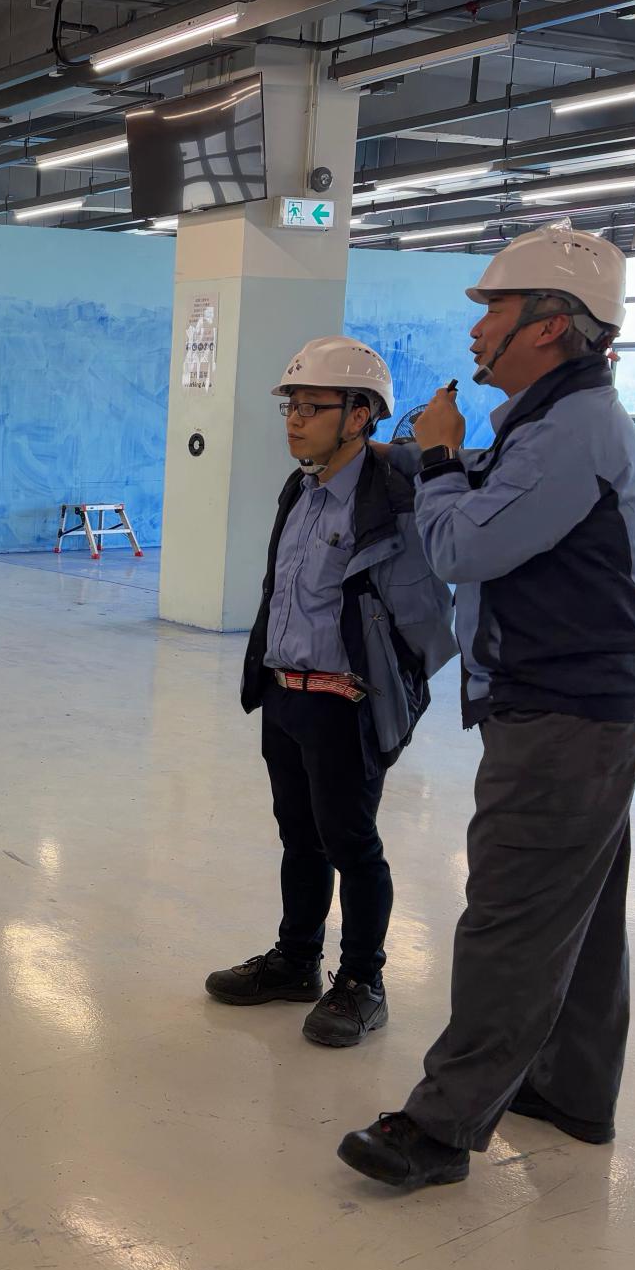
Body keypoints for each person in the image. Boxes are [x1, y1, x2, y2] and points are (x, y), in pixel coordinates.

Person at [340, 221, 635, 1189]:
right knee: (579, 907)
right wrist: (434, 463)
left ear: (552, 324)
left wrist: (441, 461)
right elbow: (499, 495)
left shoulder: (573, 429)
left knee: (511, 914)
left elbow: (464, 548)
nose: (477, 331)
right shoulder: (555, 420)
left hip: (564, 710)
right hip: (585, 703)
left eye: (494, 311)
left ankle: (440, 1126)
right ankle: (570, 1089)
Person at [207, 338, 455, 1046]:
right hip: (286, 693)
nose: (294, 420)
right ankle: (296, 961)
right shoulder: (301, 490)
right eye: (290, 406)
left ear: (360, 415)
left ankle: (363, 982)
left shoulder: (393, 500)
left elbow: (429, 609)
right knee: (300, 837)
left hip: (345, 703)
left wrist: (388, 688)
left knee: (351, 843)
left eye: (312, 408)